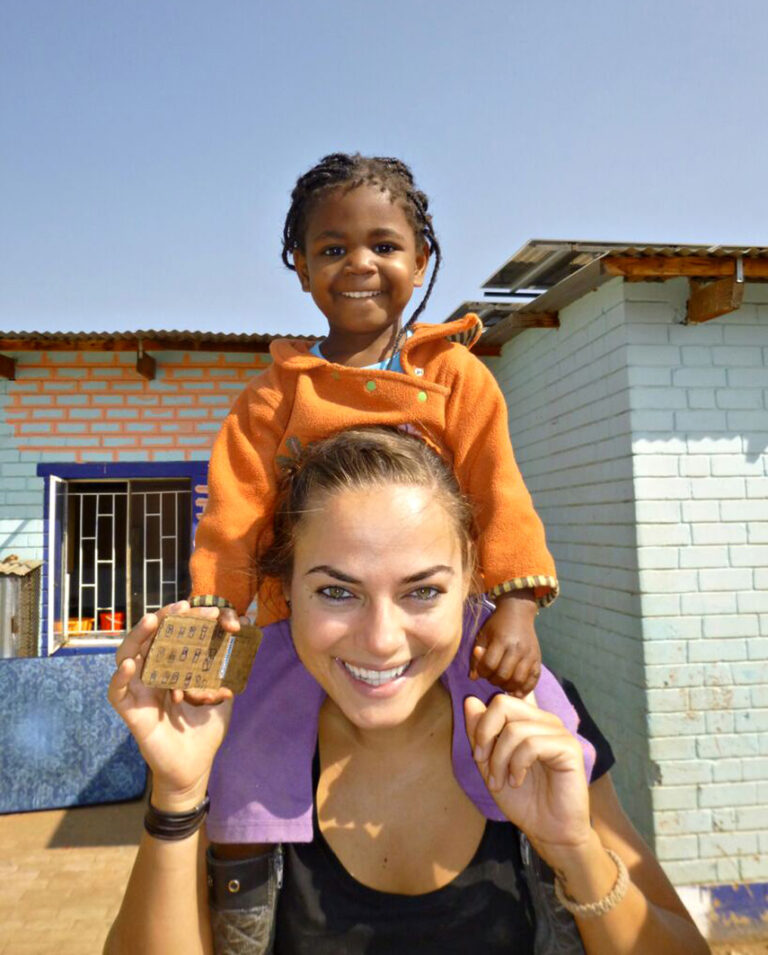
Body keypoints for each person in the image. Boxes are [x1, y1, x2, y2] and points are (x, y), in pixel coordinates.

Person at [105, 428, 707, 955]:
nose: (382, 640)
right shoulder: (234, 743)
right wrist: (178, 796)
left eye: (422, 591)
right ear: (286, 588)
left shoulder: (543, 727)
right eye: (337, 592)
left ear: (471, 579)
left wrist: (575, 850)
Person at [190, 152, 557, 704]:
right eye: (333, 250)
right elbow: (235, 511)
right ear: (303, 266)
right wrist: (213, 606)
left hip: (442, 625)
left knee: (540, 736)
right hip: (307, 632)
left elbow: (499, 492)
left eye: (384, 247)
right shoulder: (275, 394)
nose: (360, 264)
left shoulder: (456, 377)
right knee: (255, 757)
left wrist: (516, 609)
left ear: (420, 262)